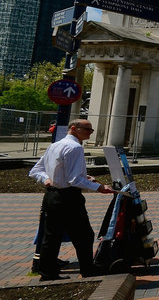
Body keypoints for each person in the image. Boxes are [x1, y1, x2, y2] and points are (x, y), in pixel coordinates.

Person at [29, 119, 115, 279]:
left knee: (51, 236)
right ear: (75, 129)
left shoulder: (54, 145)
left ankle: (47, 272)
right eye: (88, 129)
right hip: (68, 197)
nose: (91, 132)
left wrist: (45, 179)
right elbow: (74, 180)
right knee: (84, 235)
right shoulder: (75, 148)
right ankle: (88, 269)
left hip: (51, 196)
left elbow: (36, 170)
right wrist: (100, 187)